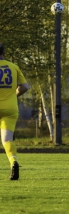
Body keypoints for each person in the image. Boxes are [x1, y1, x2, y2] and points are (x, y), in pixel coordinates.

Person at [0, 43, 29, 180]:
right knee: (7, 139)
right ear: (4, 53)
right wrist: (13, 95)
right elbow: (24, 87)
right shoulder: (14, 67)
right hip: (10, 108)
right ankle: (13, 161)